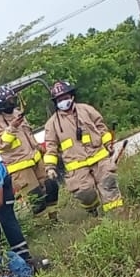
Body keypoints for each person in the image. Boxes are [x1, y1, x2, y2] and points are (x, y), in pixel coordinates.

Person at [44, 80, 123, 215]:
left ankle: (117, 216)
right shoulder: (52, 124)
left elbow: (101, 127)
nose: (63, 101)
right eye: (59, 99)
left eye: (65, 97)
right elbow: (50, 147)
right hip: (76, 166)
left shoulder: (86, 110)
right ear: (55, 102)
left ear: (72, 96)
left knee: (108, 185)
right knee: (85, 193)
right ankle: (93, 211)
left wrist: (108, 144)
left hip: (99, 157)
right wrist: (50, 167)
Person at [0, 85, 57, 216]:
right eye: (9, 101)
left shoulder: (18, 114)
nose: (12, 103)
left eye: (13, 99)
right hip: (20, 168)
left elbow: (28, 134)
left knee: (51, 187)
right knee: (36, 198)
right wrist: (11, 128)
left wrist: (39, 148)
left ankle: (55, 219)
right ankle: (44, 226)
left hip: (36, 159)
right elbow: (0, 144)